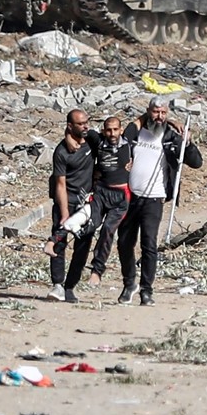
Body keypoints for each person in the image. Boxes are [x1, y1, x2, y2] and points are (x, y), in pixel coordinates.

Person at [117, 97, 203, 306]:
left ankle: (147, 290)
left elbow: (196, 162)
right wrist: (146, 118)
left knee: (149, 244)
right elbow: (126, 132)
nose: (159, 117)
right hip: (131, 197)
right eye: (155, 112)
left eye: (163, 113)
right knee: (124, 243)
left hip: (154, 199)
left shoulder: (171, 137)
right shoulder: (137, 134)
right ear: (148, 112)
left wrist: (188, 142)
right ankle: (129, 283)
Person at [43, 109, 97, 303]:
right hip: (68, 199)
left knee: (83, 245)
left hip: (87, 203)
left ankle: (70, 287)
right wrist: (65, 212)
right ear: (70, 126)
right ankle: (57, 284)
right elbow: (60, 184)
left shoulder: (91, 139)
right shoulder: (62, 151)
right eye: (80, 124)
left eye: (86, 122)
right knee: (59, 241)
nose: (85, 126)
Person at [86, 116, 133, 287]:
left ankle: (97, 271)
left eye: (115, 129)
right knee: (89, 225)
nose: (112, 133)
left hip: (121, 195)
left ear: (121, 130)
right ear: (103, 130)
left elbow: (143, 119)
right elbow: (78, 130)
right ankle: (77, 266)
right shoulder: (97, 141)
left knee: (107, 230)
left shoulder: (129, 142)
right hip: (101, 192)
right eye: (108, 130)